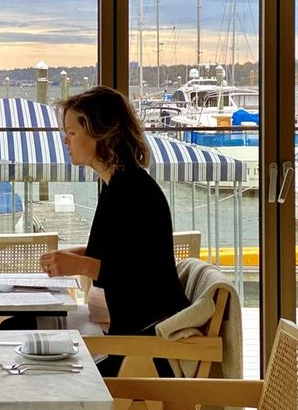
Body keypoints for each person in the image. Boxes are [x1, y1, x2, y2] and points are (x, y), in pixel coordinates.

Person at [41, 85, 190, 376]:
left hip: (142, 344)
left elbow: (140, 273)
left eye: (71, 133)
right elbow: (115, 254)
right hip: (122, 330)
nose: (65, 141)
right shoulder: (118, 185)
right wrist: (72, 257)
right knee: (18, 329)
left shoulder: (133, 191)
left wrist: (79, 264)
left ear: (100, 133)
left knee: (27, 344)